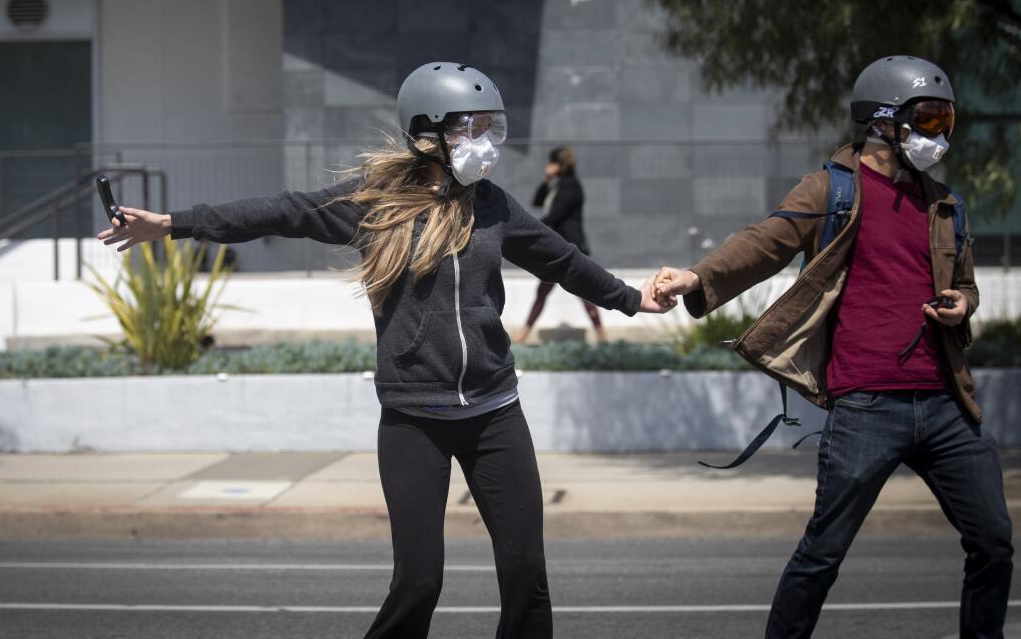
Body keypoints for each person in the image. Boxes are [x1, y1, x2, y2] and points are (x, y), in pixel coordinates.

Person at [98, 62, 674, 639]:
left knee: (526, 574)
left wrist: (631, 299)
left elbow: (562, 260)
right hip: (412, 421)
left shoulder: (493, 205)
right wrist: (174, 224)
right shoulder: (370, 204)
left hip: (495, 414)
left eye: (490, 128)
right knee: (419, 583)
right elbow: (283, 211)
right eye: (468, 128)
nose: (483, 143)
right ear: (426, 131)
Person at [653, 55, 1013, 638]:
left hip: (947, 403)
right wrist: (696, 278)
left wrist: (963, 303)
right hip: (867, 407)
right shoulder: (833, 190)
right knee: (823, 554)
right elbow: (764, 242)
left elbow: (965, 283)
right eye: (927, 119)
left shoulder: (945, 204)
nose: (939, 134)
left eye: (946, 119)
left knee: (994, 542)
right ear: (883, 122)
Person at [511, 146, 607, 344]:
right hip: (557, 250)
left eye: (551, 163)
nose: (548, 166)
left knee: (584, 292)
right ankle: (524, 334)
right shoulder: (559, 185)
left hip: (571, 249)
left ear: (559, 164)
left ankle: (602, 335)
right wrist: (546, 180)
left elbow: (553, 216)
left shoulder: (572, 187)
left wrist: (529, 229)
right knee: (543, 292)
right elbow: (537, 201)